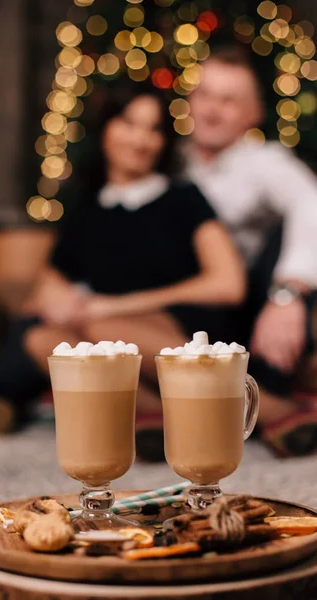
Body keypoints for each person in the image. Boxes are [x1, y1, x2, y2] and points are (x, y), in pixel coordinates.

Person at [0, 79, 245, 445]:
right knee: (43, 338)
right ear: (105, 130)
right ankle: (145, 413)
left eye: (153, 129)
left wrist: (112, 306)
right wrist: (58, 298)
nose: (140, 140)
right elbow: (49, 282)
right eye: (129, 124)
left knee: (99, 330)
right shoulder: (85, 210)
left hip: (178, 330)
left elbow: (228, 285)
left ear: (164, 141)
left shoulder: (183, 199)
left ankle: (254, 404)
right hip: (105, 332)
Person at [180, 45, 317, 456]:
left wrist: (288, 295)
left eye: (229, 99)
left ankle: (265, 397)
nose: (212, 110)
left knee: (285, 227)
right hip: (190, 301)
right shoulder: (169, 162)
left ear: (252, 114)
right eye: (204, 95)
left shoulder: (264, 161)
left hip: (250, 307)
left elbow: (311, 203)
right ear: (189, 102)